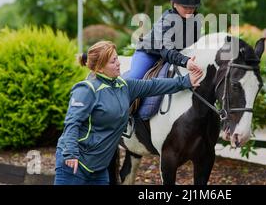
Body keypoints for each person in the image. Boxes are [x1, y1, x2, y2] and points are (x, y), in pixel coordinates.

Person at [54, 41, 202, 185]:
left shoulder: (125, 86)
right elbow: (72, 123)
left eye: (117, 58)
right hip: (74, 163)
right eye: (113, 62)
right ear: (99, 68)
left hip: (99, 168)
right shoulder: (86, 90)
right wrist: (71, 153)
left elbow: (154, 85)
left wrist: (186, 81)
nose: (118, 63)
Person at [127, 0, 203, 80]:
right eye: (185, 7)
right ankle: (122, 92)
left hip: (176, 55)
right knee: (134, 79)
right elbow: (165, 50)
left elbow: (195, 46)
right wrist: (185, 61)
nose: (190, 11)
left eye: (193, 7)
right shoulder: (166, 21)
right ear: (174, 3)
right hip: (150, 54)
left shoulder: (195, 22)